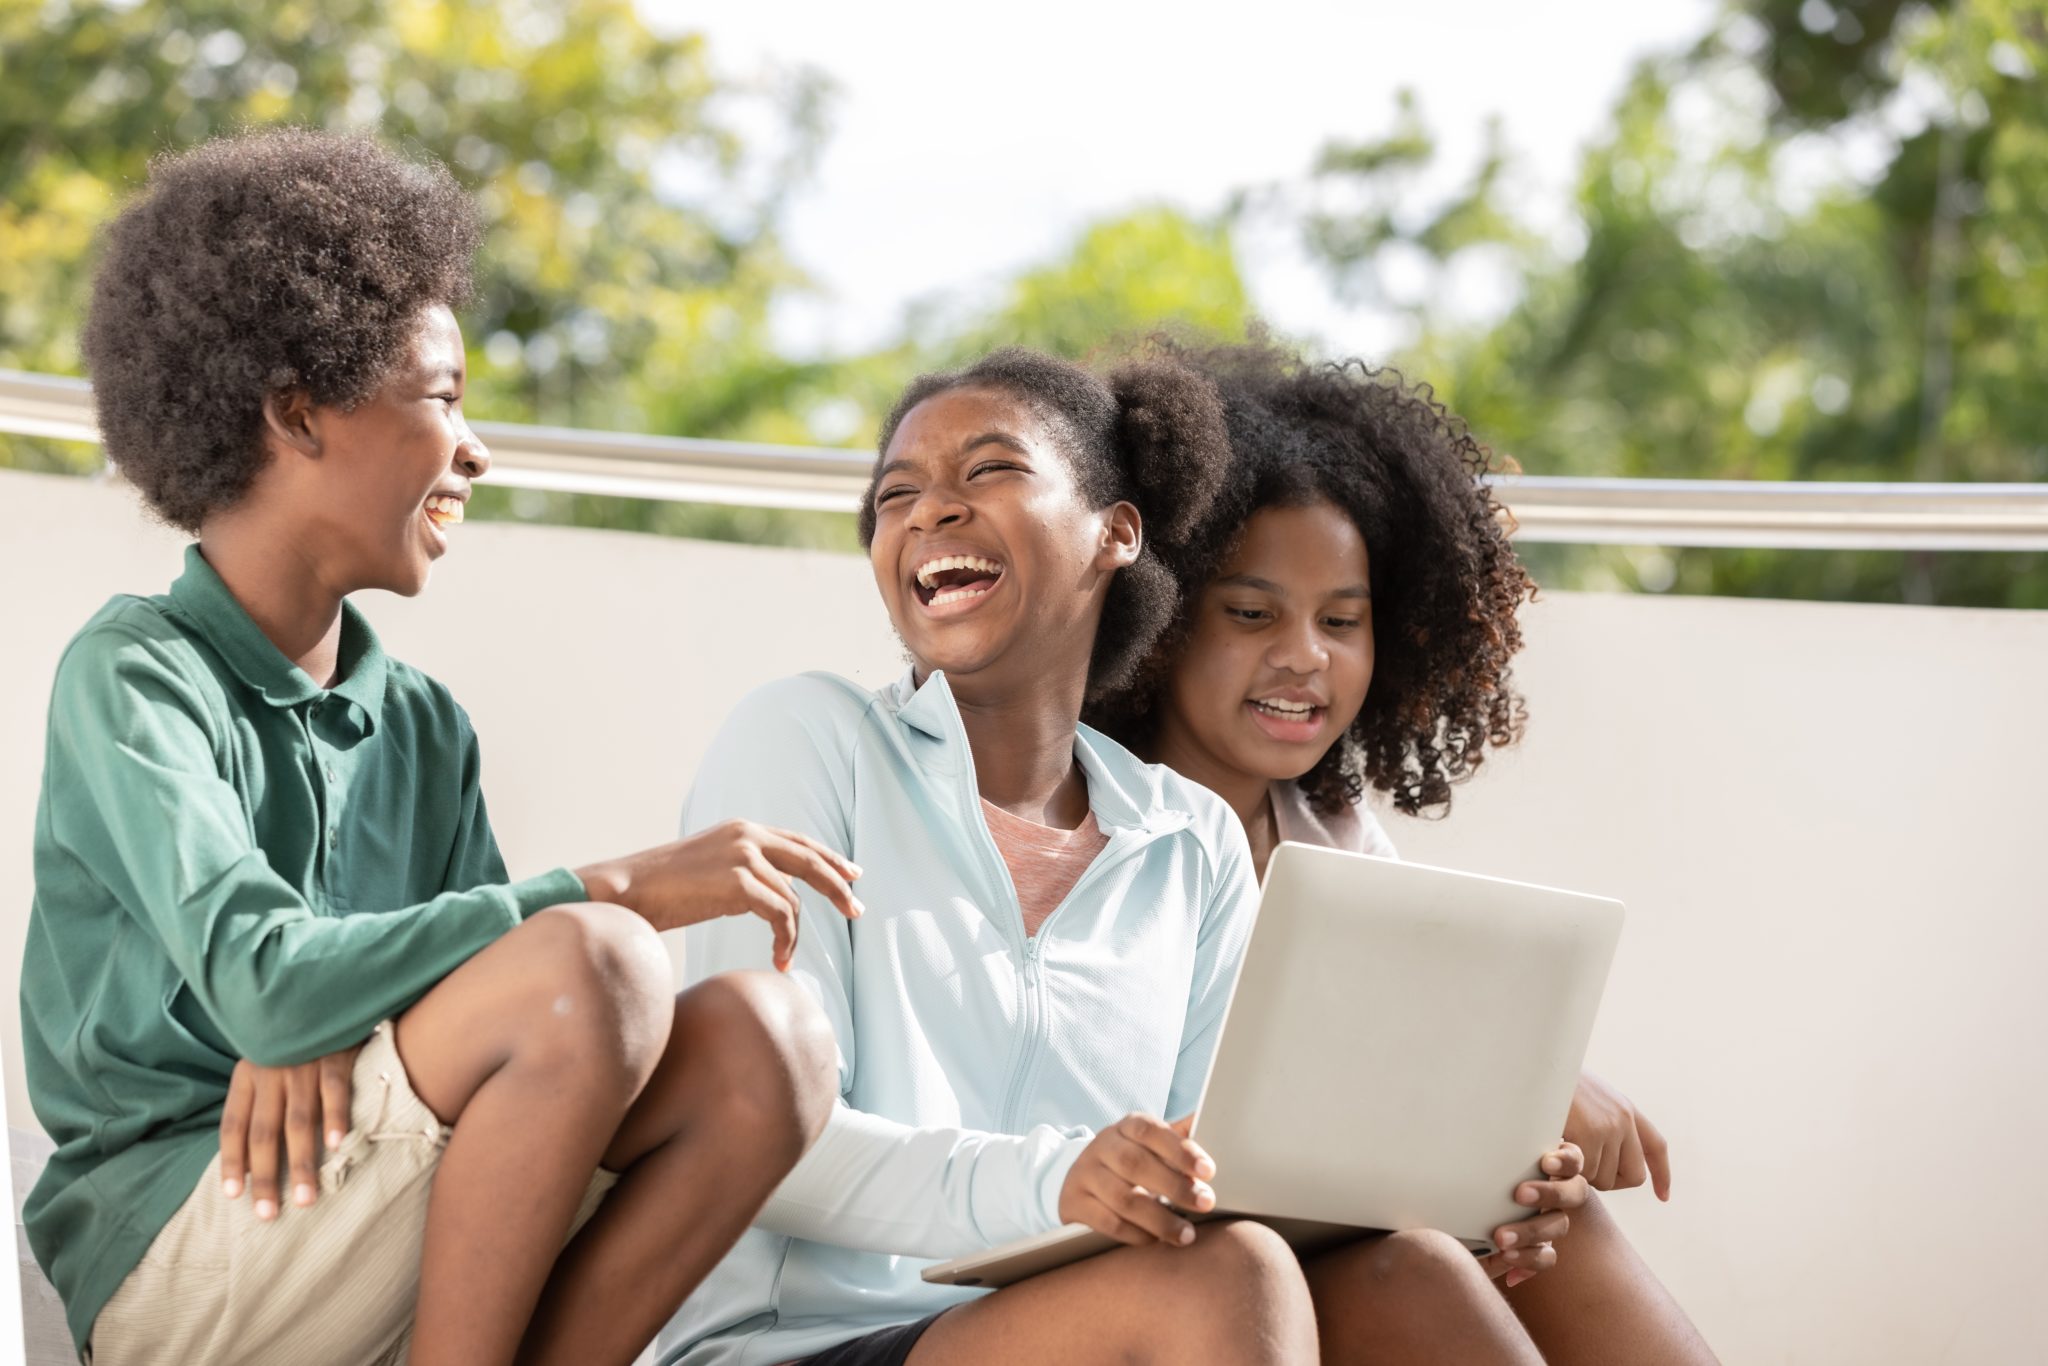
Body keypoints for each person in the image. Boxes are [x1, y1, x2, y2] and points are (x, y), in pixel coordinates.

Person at [22, 128, 857, 1366]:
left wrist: (323, 1021)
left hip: (367, 1197)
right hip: (184, 1239)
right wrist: (614, 883)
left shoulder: (420, 724)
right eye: (444, 397)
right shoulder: (134, 672)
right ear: (297, 413)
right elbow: (272, 980)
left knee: (772, 1045)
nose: (475, 449)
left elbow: (420, 1013)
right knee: (601, 957)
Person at [659, 347, 1591, 1366]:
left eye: (988, 471)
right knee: (1223, 1272)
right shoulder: (806, 738)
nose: (931, 510)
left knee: (1409, 1270)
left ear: (1115, 532)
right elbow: (760, 1147)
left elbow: (1231, 1183)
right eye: (895, 494)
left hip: (1061, 1317)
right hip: (800, 1345)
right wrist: (1056, 1180)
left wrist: (1462, 1191)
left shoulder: (1190, 841)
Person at [1085, 336, 1719, 1364]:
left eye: (1343, 619)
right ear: (1156, 622)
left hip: (1319, 1228)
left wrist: (1528, 1116)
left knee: (1551, 1226)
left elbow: (1407, 1062)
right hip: (1165, 1256)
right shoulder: (1085, 813)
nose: (1305, 656)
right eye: (1251, 613)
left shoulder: (1330, 833)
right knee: (1414, 1266)